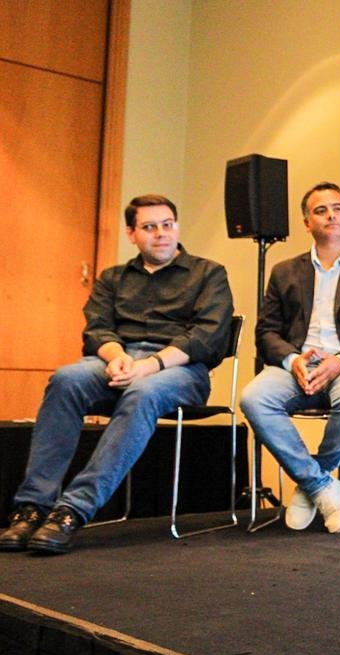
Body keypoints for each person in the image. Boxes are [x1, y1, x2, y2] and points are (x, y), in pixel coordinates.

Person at [0, 195, 233, 555]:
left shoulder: (209, 274)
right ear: (131, 233)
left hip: (179, 369)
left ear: (177, 226)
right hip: (118, 360)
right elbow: (97, 330)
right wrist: (118, 357)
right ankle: (32, 507)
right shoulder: (113, 278)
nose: (161, 233)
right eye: (149, 227)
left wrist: (148, 365)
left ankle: (72, 511)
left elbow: (205, 338)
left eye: (167, 224)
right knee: (67, 379)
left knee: (144, 392)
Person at [240, 182, 340, 534]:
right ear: (306, 223)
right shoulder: (284, 271)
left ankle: (310, 482)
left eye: (337, 208)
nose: (331, 215)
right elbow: (266, 333)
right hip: (297, 365)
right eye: (320, 210)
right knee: (254, 397)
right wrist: (292, 360)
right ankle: (322, 486)